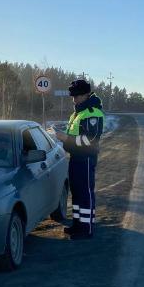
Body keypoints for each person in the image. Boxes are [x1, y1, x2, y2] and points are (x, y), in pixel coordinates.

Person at [54, 79, 104, 240]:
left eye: (76, 96)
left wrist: (65, 138)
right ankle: (78, 224)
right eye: (72, 96)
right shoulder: (78, 112)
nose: (73, 99)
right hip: (75, 157)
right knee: (76, 193)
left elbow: (90, 140)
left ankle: (86, 227)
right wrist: (64, 135)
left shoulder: (92, 112)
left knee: (85, 193)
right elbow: (76, 134)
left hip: (86, 158)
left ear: (85, 94)